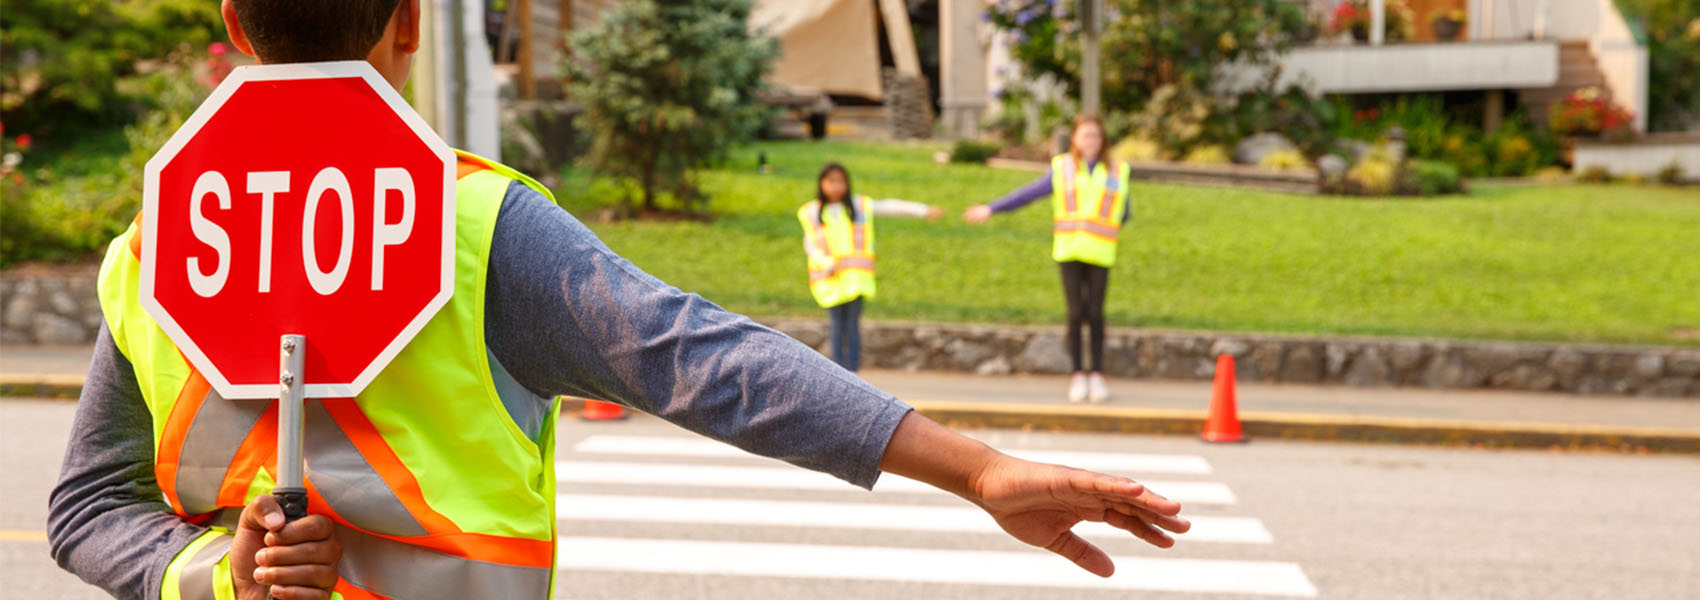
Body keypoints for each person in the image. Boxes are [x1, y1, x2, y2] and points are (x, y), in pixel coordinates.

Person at [46, 3, 1189, 599]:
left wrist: (213, 579)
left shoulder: (147, 252)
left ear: (233, 34)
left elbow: (85, 514)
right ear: (406, 23)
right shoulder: (477, 225)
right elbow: (699, 359)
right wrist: (974, 466)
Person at [964, 115, 1132, 404]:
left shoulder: (1117, 171)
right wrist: (992, 208)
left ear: (1102, 139)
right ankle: (1078, 374)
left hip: (1101, 252)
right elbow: (1028, 194)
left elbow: (1124, 211)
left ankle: (1097, 375)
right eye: (1085, 135)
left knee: (1096, 314)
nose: (1090, 141)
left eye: (1095, 136)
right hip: (1069, 250)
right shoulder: (1063, 168)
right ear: (1076, 139)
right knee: (1075, 313)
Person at [799, 162, 941, 372]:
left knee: (852, 326)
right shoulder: (811, 212)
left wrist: (923, 210)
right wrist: (826, 261)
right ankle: (838, 371)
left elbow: (892, 206)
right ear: (821, 184)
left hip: (856, 279)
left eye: (841, 181)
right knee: (836, 326)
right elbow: (809, 243)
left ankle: (852, 372)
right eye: (831, 181)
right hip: (829, 279)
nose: (836, 186)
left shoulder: (859, 206)